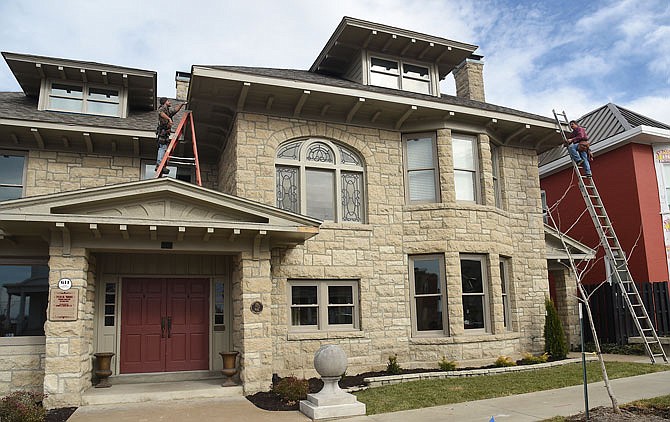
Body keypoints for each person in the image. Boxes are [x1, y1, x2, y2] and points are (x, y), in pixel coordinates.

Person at [155, 97, 187, 175]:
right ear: (165, 102)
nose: (170, 102)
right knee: (162, 148)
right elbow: (161, 113)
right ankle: (159, 164)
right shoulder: (162, 108)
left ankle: (162, 165)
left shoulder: (168, 111)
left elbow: (175, 110)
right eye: (168, 101)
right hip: (162, 132)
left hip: (165, 133)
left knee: (165, 149)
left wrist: (181, 104)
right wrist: (169, 119)